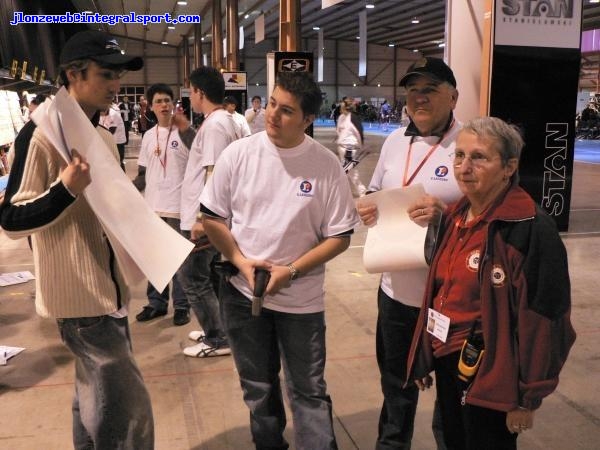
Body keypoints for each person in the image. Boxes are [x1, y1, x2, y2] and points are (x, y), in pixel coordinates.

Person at [0, 30, 153, 448]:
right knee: (125, 412)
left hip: (111, 291)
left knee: (94, 399)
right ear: (73, 75)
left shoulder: (101, 135)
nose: (115, 85)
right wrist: (64, 189)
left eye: (117, 75)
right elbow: (11, 219)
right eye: (106, 74)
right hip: (80, 297)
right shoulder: (41, 135)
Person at [200, 71, 360, 450]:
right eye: (271, 103)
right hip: (242, 295)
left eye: (286, 110)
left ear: (307, 120)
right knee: (258, 387)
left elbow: (339, 236)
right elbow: (212, 216)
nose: (272, 115)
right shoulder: (238, 154)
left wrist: (290, 272)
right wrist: (240, 261)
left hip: (301, 303)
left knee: (308, 390)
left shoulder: (325, 166)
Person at [406, 116, 576, 450]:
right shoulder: (457, 214)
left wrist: (527, 398)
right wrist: (426, 353)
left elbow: (545, 321)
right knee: (453, 440)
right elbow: (440, 294)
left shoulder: (530, 229)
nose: (464, 167)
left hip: (493, 371)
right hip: (449, 358)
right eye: (459, 156)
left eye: (479, 157)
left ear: (509, 166)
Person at [357, 56, 462, 450]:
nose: (419, 98)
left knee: (452, 397)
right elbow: (376, 191)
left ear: (453, 96)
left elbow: (488, 214)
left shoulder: (467, 144)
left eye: (430, 90)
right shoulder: (394, 142)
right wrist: (368, 206)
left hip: (448, 298)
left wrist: (444, 213)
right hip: (396, 293)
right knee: (397, 391)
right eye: (413, 90)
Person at [178, 66, 241, 357]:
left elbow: (214, 172)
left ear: (200, 92)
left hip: (205, 217)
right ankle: (218, 328)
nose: (189, 97)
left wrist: (204, 218)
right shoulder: (219, 121)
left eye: (191, 91)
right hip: (208, 215)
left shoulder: (216, 124)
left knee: (192, 277)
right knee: (208, 276)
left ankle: (218, 338)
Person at [133, 83, 191, 326]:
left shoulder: (186, 133)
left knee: (179, 259)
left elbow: (200, 169)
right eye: (159, 101)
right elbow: (143, 173)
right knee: (156, 258)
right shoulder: (148, 136)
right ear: (151, 106)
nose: (164, 105)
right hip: (153, 207)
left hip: (178, 206)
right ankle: (156, 304)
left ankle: (181, 306)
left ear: (174, 103)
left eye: (168, 100)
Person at [336, 97, 366, 197]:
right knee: (348, 171)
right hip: (345, 147)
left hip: (346, 147)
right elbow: (358, 132)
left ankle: (360, 191)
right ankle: (354, 191)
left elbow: (358, 132)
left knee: (349, 170)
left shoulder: (347, 117)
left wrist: (360, 145)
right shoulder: (347, 117)